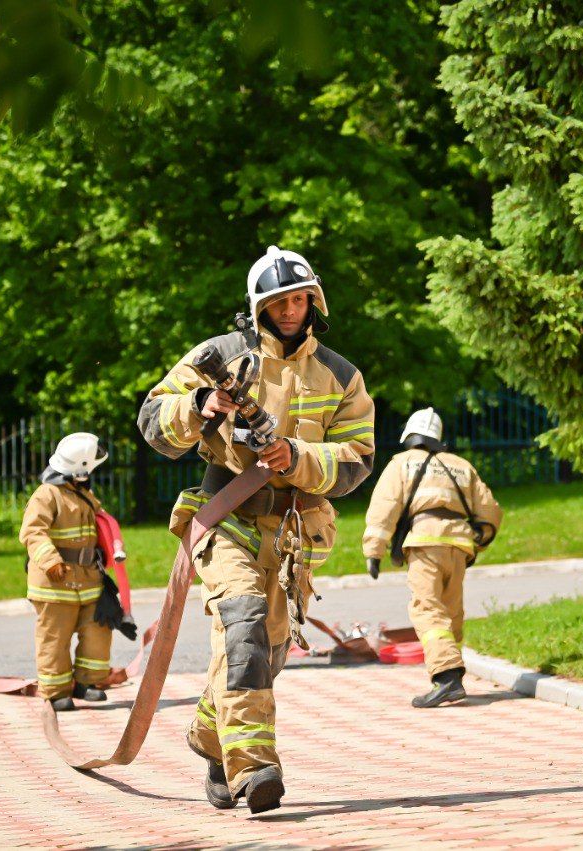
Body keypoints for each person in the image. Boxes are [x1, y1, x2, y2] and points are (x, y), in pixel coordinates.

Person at [138, 246, 375, 814]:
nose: (290, 311)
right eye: (279, 302)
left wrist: (294, 455)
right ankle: (255, 769)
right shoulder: (220, 355)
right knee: (241, 622)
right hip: (226, 515)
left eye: (299, 300)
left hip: (297, 531)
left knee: (263, 655)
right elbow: (153, 422)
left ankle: (211, 738)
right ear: (259, 306)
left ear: (312, 302)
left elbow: (357, 460)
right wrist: (200, 404)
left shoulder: (341, 375)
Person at [362, 407, 503, 708]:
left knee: (427, 609)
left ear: (409, 436)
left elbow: (384, 507)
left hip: (425, 542)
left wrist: (374, 550)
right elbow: (490, 510)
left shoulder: (402, 463)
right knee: (451, 612)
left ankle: (447, 678)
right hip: (459, 546)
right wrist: (480, 538)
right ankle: (451, 674)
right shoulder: (461, 466)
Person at [18, 433, 117, 711]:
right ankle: (56, 690)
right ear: (80, 467)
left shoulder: (83, 494)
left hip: (87, 580)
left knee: (98, 630)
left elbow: (103, 523)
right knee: (55, 637)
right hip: (54, 583)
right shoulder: (46, 495)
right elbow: (32, 531)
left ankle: (87, 683)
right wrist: (50, 560)